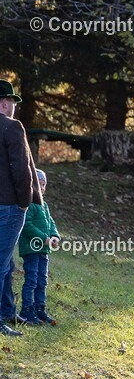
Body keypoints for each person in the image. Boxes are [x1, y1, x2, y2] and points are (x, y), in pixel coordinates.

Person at [0, 81, 40, 336]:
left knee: (6, 262)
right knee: (1, 263)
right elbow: (22, 167)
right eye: (12, 102)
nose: (14, 107)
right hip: (9, 206)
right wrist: (25, 202)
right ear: (4, 102)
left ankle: (6, 311)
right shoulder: (12, 127)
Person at [17, 169, 59, 326]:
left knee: (42, 280)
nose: (42, 187)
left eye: (44, 184)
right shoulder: (29, 204)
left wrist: (54, 236)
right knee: (32, 279)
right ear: (32, 184)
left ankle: (39, 308)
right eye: (39, 184)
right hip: (31, 249)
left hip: (43, 250)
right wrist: (44, 239)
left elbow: (51, 223)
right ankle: (27, 310)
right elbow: (27, 226)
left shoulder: (44, 205)